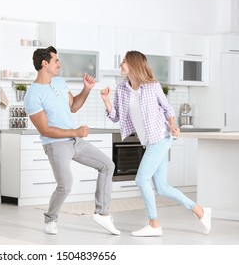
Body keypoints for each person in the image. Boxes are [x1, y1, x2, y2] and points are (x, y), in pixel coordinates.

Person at [100, 50, 211, 237]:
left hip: (161, 137)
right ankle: (200, 211)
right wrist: (106, 100)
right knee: (161, 187)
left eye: (124, 62)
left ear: (134, 64)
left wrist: (174, 126)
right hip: (148, 141)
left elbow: (167, 109)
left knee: (141, 179)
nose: (121, 66)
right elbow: (116, 117)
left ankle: (154, 223)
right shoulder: (122, 89)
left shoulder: (152, 86)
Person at [24, 46, 120, 235]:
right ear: (45, 63)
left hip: (75, 140)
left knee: (107, 165)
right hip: (55, 144)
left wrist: (86, 89)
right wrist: (75, 131)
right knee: (65, 185)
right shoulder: (32, 95)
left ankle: (102, 213)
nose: (59, 64)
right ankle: (51, 219)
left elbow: (74, 106)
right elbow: (45, 130)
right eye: (56, 61)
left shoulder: (59, 82)